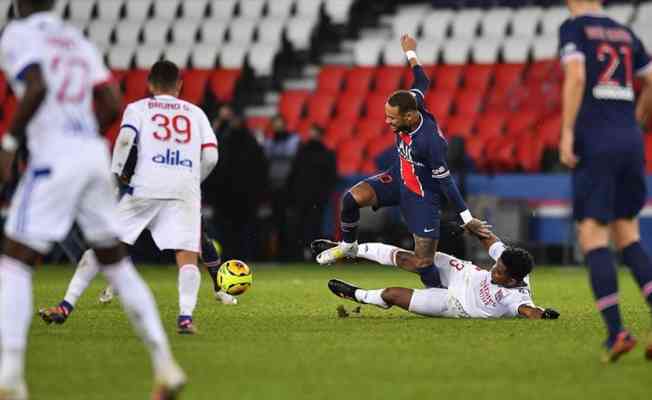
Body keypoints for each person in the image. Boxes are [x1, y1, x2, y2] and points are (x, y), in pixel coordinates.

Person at [0, 1, 185, 398]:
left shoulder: (17, 34)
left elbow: (36, 86)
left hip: (55, 155)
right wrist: (83, 136)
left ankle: (10, 377)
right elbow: (112, 103)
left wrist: (11, 142)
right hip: (91, 155)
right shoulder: (75, 39)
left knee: (14, 260)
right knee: (115, 261)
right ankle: (164, 364)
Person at [37, 60, 233, 334]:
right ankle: (185, 317)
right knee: (187, 256)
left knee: (104, 245)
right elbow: (211, 156)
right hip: (183, 190)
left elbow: (126, 140)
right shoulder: (196, 113)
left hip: (145, 186)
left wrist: (116, 175)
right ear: (179, 85)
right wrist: (191, 180)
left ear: (150, 84)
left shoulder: (138, 109)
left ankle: (66, 305)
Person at [314, 34, 489, 287]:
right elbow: (422, 79)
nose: (388, 122)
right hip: (398, 177)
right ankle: (349, 246)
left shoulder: (430, 142)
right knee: (350, 199)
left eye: (392, 119)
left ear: (409, 116)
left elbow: (447, 183)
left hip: (422, 196)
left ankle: (439, 296)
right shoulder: (413, 100)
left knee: (423, 262)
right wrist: (411, 53)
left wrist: (466, 218)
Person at [559, 0, 652, 362]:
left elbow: (577, 76)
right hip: (630, 140)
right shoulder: (624, 32)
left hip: (595, 142)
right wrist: (639, 119)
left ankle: (617, 332)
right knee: (627, 234)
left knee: (593, 236)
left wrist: (567, 131)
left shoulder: (575, 28)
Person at [328, 228, 560, 320]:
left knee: (392, 295)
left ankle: (356, 295)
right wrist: (472, 226)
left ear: (513, 280)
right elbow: (491, 242)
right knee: (415, 258)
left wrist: (545, 314)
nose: (493, 270)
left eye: (499, 273)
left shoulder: (516, 298)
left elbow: (530, 311)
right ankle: (347, 249)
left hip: (455, 305)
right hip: (460, 273)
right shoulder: (509, 259)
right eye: (495, 265)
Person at [207, 105, 268, 261]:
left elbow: (214, 167)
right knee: (240, 233)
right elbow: (261, 171)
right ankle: (243, 259)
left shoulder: (224, 142)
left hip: (229, 197)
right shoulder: (251, 143)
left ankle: (229, 259)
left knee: (230, 233)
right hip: (238, 197)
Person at [287, 124, 337, 259]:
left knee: (314, 226)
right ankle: (301, 253)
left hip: (315, 198)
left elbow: (331, 177)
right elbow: (294, 175)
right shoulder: (303, 153)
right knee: (302, 226)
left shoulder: (325, 154)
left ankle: (313, 253)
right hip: (303, 197)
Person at [264, 115, 301, 260]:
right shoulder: (270, 141)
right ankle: (278, 253)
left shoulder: (292, 140)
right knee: (276, 222)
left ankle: (290, 252)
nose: (277, 127)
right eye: (275, 124)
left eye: (280, 124)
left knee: (289, 221)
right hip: (273, 187)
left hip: (289, 187)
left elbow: (289, 153)